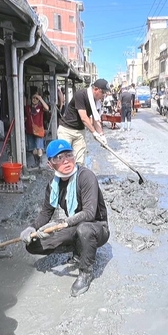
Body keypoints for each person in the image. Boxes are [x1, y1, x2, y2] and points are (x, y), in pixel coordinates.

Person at [19, 139, 110, 297]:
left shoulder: (86, 177)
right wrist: (32, 228)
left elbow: (89, 213)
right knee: (33, 245)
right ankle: (79, 248)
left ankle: (86, 272)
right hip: (74, 227)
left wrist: (62, 223)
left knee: (84, 229)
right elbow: (46, 212)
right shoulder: (53, 185)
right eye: (59, 158)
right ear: (50, 164)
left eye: (69, 155)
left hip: (97, 227)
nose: (66, 161)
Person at [57, 78, 109, 167]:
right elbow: (84, 117)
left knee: (80, 161)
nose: (103, 95)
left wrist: (102, 135)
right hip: (66, 130)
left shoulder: (96, 102)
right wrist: (94, 132)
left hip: (80, 131)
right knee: (63, 158)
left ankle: (78, 175)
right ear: (96, 89)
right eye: (103, 92)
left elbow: (96, 120)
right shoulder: (81, 95)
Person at [26, 91, 50, 168]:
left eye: (36, 98)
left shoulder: (40, 107)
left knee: (39, 147)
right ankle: (36, 162)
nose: (34, 100)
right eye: (33, 98)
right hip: (29, 130)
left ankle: (40, 163)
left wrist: (40, 98)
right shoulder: (27, 108)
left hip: (39, 130)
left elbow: (47, 108)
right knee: (33, 149)